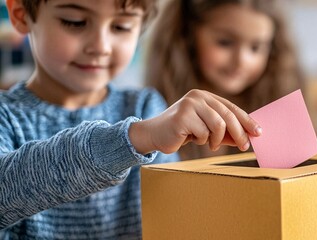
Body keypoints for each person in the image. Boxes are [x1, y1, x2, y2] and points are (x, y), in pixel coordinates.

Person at [0, 0, 261, 237]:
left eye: (121, 27)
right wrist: (134, 139)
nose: (100, 46)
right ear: (21, 14)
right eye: (75, 22)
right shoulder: (6, 116)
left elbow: (174, 221)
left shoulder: (147, 107)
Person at [146, 0, 302, 160]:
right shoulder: (150, 117)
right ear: (188, 35)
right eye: (225, 42)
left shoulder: (281, 116)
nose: (241, 61)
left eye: (255, 47)